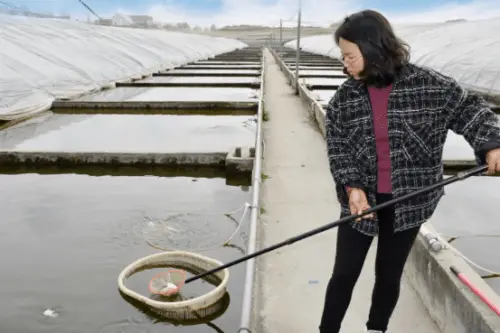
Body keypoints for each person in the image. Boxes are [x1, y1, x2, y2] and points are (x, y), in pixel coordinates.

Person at [320, 9, 500, 333]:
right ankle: (327, 329)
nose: (344, 63)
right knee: (344, 272)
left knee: (388, 274)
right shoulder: (344, 100)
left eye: (349, 56)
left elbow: (470, 110)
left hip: (410, 201)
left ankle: (376, 329)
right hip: (361, 203)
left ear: (373, 49)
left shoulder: (429, 85)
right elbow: (338, 147)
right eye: (343, 56)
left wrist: (491, 144)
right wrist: (353, 188)